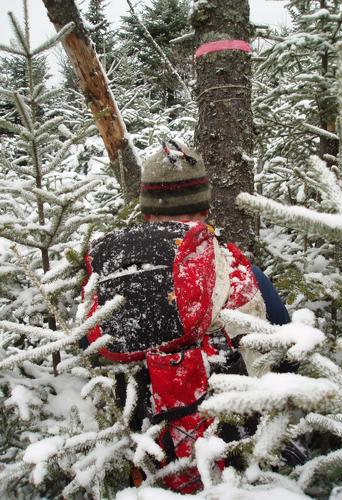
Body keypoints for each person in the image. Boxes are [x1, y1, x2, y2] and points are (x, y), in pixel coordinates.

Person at [84, 140, 295, 493]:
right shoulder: (237, 270)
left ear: (146, 210)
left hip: (144, 454)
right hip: (234, 451)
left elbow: (88, 347)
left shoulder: (109, 269)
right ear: (204, 209)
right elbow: (285, 355)